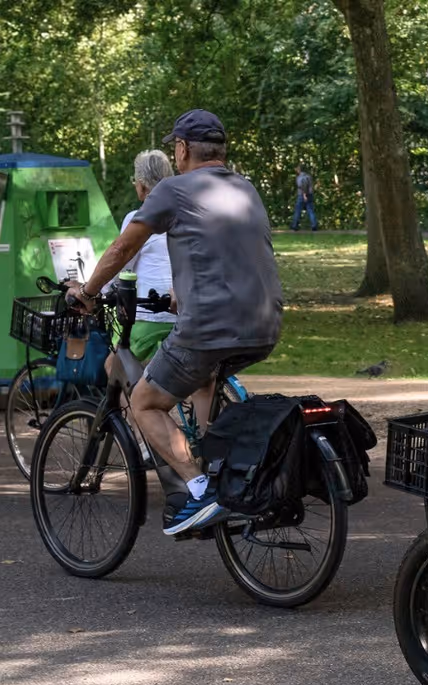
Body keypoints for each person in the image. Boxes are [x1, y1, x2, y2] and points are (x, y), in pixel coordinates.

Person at [68, 109, 283, 536]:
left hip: (209, 328)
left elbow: (122, 250)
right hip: (265, 325)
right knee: (206, 386)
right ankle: (229, 473)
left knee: (144, 402)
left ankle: (200, 488)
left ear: (182, 149)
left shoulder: (173, 188)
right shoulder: (246, 189)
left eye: (176, 148)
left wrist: (88, 293)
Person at [112, 149, 177, 362]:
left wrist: (96, 291)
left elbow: (121, 261)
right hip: (184, 314)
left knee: (113, 366)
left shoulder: (137, 218)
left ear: (141, 185)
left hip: (149, 316)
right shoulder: (184, 214)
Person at [291, 164, 317, 231]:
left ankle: (295, 225)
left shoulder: (300, 177)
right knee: (310, 210)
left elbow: (304, 186)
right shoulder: (309, 176)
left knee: (298, 210)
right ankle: (314, 225)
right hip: (310, 194)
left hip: (302, 195)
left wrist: (304, 194)